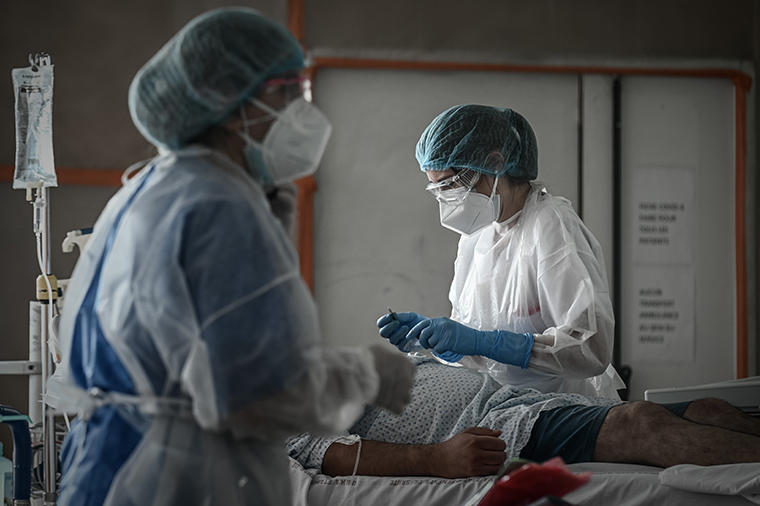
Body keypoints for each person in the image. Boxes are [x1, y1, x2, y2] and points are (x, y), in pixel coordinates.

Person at [48, 8, 414, 506]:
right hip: (170, 478)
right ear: (227, 101)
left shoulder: (156, 186)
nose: (300, 112)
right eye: (285, 92)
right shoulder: (217, 203)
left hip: (117, 465)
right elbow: (254, 394)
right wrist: (367, 375)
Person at [378, 104, 624, 399]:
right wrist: (443, 345)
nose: (445, 199)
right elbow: (482, 352)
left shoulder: (551, 226)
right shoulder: (477, 236)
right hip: (498, 410)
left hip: (560, 412)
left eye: (450, 185)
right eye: (436, 189)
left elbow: (591, 351)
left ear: (494, 164)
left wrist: (487, 343)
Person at [288, 357, 760, 478]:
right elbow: (323, 452)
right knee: (641, 424)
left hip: (528, 403)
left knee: (708, 409)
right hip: (507, 430)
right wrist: (436, 459)